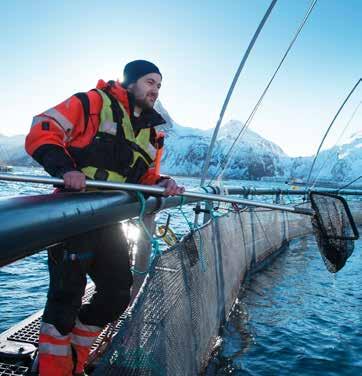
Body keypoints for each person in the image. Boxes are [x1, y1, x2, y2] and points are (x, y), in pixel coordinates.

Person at [25, 60, 184, 376]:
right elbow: (42, 128)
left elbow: (146, 177)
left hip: (110, 221)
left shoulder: (153, 134)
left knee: (117, 293)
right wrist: (65, 170)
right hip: (73, 214)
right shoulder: (92, 102)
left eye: (159, 85)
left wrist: (162, 183)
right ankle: (54, 372)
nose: (155, 90)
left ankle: (73, 358)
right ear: (131, 82)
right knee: (65, 298)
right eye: (150, 82)